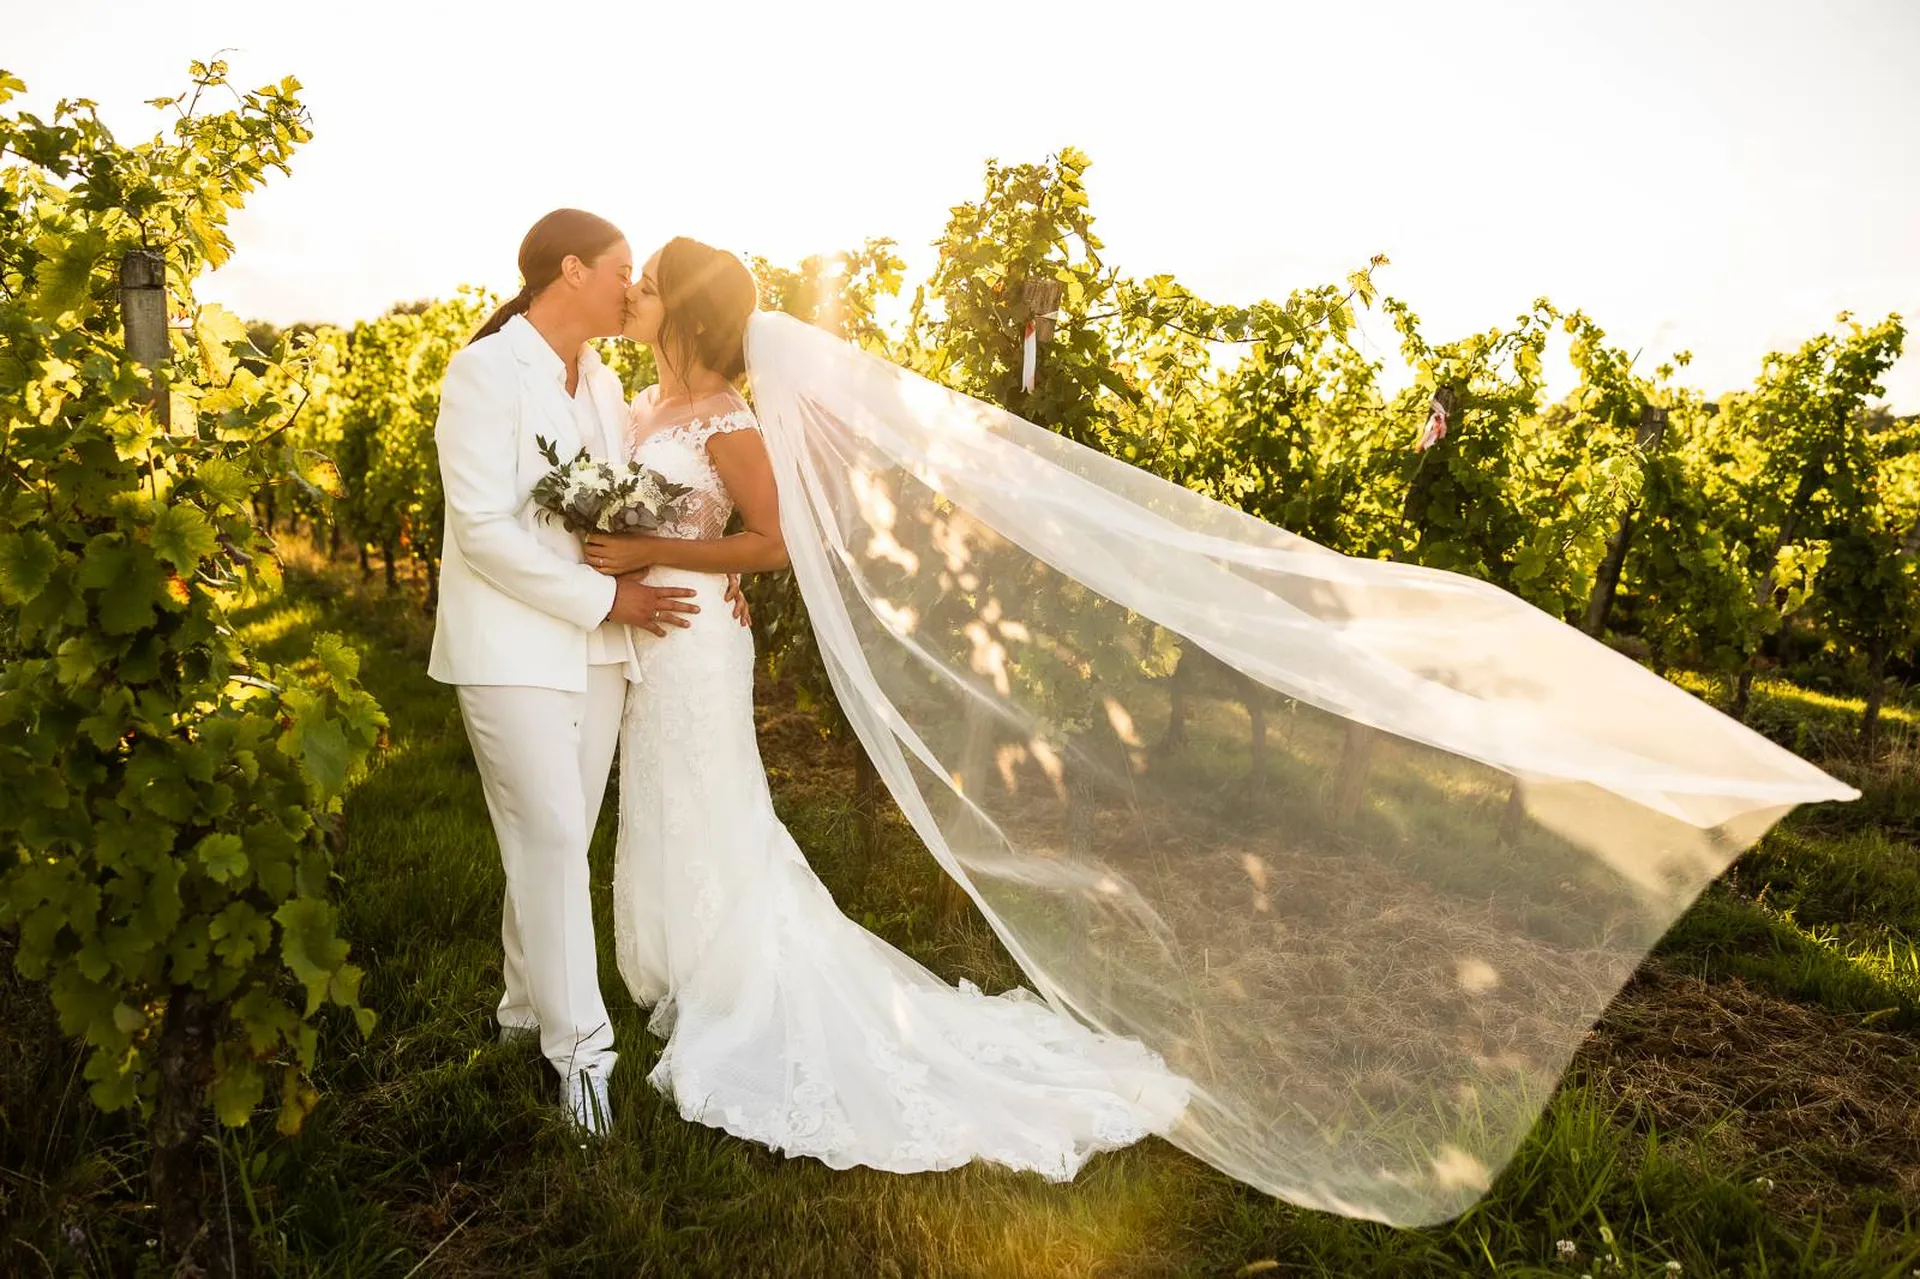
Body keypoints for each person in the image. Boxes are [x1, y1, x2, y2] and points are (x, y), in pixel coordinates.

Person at [429, 211, 745, 1134]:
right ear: (571, 271)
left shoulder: (606, 383)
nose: (632, 286)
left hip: (600, 654)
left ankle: (521, 1010)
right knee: (555, 835)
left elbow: (646, 503)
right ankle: (584, 1058)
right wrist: (606, 598)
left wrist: (713, 568)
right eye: (621, 269)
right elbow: (482, 531)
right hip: (511, 644)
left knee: (556, 841)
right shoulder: (485, 372)